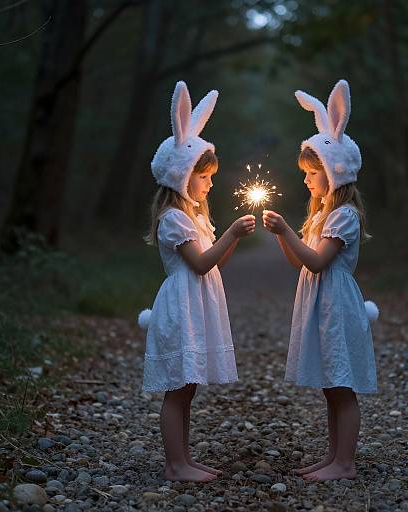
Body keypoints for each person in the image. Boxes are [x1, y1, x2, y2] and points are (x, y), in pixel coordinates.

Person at [139, 81, 255, 482]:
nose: (209, 184)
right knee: (178, 388)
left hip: (197, 303)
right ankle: (175, 464)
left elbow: (215, 258)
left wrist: (233, 239)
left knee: (189, 388)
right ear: (181, 176)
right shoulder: (173, 219)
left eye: (209, 177)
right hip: (182, 304)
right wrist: (233, 235)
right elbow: (201, 264)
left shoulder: (195, 217)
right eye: (202, 177)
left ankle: (184, 458)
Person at [263, 79, 378, 481]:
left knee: (342, 386)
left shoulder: (344, 215)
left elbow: (317, 262)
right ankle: (333, 456)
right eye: (307, 173)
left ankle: (344, 463)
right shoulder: (321, 215)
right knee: (331, 384)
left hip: (337, 303)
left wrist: (287, 232)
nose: (308, 180)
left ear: (336, 171)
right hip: (320, 302)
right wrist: (282, 234)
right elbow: (300, 263)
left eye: (315, 172)